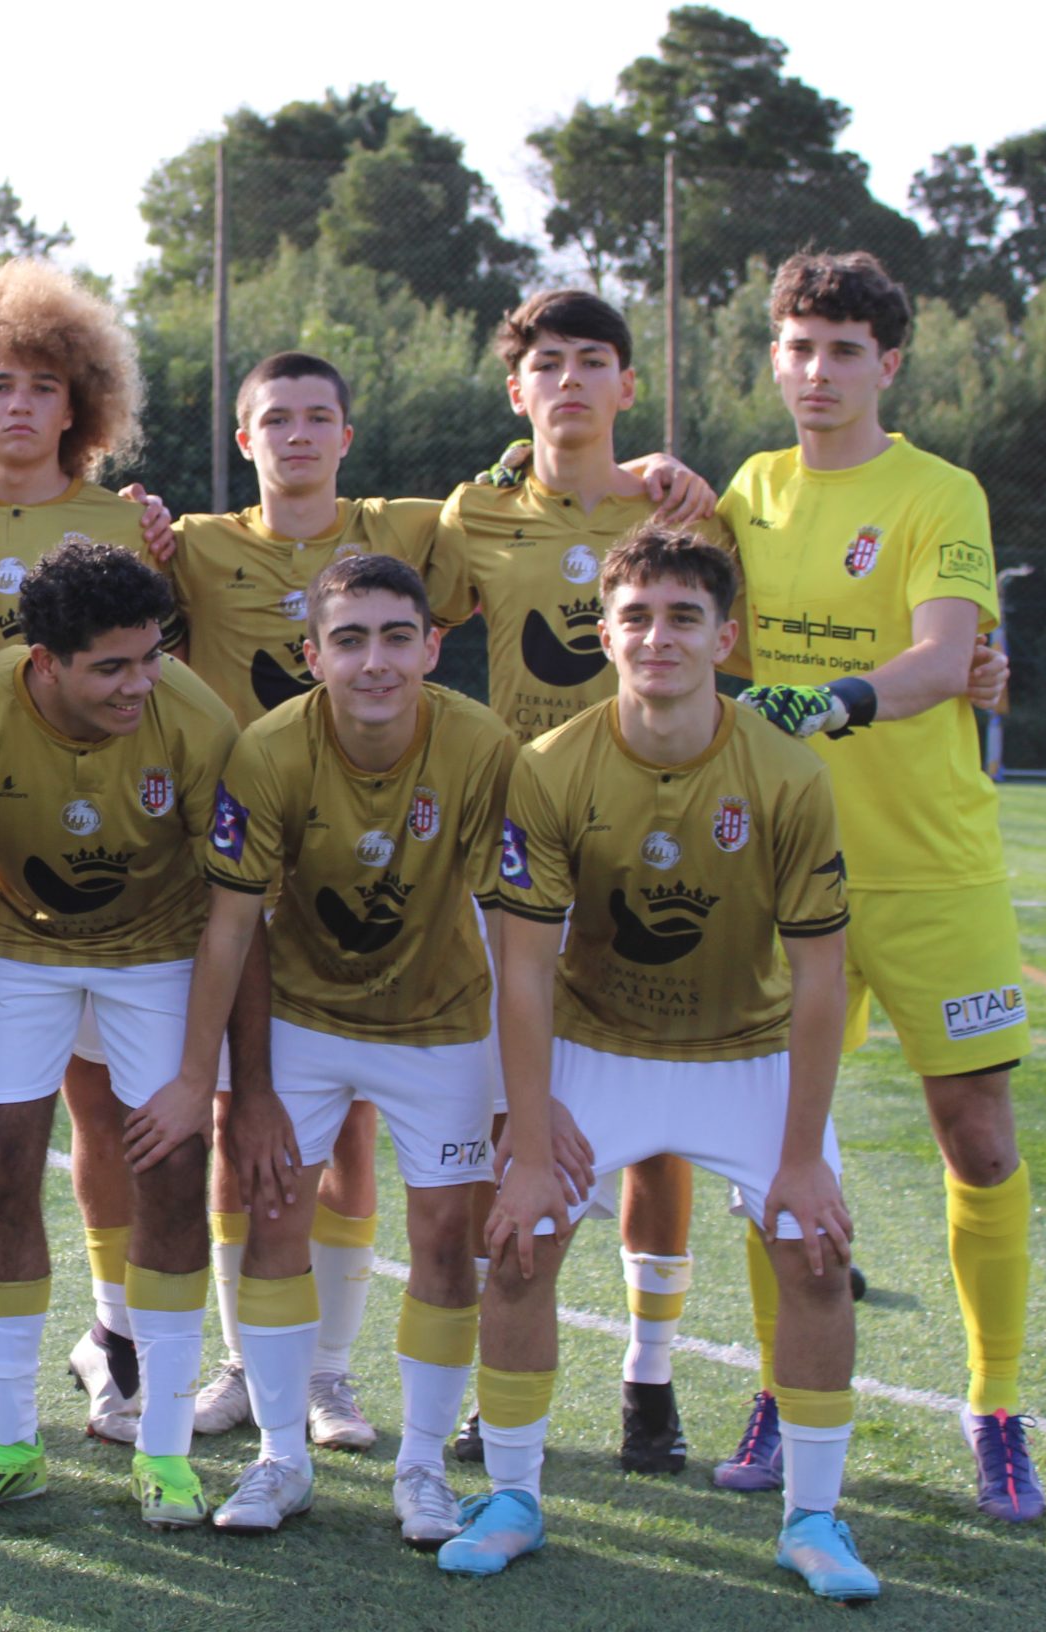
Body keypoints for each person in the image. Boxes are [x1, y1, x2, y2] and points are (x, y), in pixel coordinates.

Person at [173, 351, 713, 1449]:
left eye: (318, 416)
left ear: (347, 436)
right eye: (275, 419)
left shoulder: (427, 524)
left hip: (417, 889)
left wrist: (626, 469)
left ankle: (330, 1377)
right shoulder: (188, 541)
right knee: (252, 1139)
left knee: (363, 1147)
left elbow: (529, 499)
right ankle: (247, 1367)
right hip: (258, 859)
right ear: (244, 439)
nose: (296, 435)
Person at [442, 526, 877, 1602]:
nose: (658, 637)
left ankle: (814, 1519)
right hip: (598, 1043)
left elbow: (821, 978)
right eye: (635, 616)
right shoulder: (550, 767)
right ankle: (511, 1498)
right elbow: (523, 970)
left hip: (747, 1052)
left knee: (815, 1255)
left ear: (725, 638)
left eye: (685, 617)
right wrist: (528, 1138)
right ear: (604, 634)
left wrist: (801, 1156)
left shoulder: (788, 773)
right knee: (519, 1243)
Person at [714, 250, 1044, 1522]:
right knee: (771, 1143)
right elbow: (678, 601)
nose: (817, 372)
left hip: (931, 867)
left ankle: (996, 1404)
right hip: (786, 869)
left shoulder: (938, 491)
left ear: (886, 363)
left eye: (843, 350)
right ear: (775, 357)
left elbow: (947, 656)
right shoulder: (749, 489)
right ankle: (779, 1385)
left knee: (977, 1133)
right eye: (798, 348)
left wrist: (829, 700)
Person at [0, 259, 180, 1444]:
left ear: (82, 403)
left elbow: (154, 683)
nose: (18, 405)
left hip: (105, 867)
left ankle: (115, 1330)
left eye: (43, 386)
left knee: (107, 1109)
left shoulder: (130, 526)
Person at [436, 290, 724, 1473]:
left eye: (591, 361)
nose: (568, 380)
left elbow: (731, 657)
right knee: (508, 1114)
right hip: (516, 844)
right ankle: (493, 1381)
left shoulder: (679, 511)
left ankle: (649, 1378)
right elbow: (400, 613)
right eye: (546, 363)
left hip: (656, 842)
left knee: (657, 1123)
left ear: (625, 385)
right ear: (518, 392)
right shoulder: (475, 509)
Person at [0, 538, 236, 1528]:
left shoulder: (196, 718)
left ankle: (165, 1448)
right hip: (14, 943)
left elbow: (238, 905)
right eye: (112, 666)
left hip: (159, 948)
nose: (141, 682)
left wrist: (214, 1076)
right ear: (43, 661)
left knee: (171, 1165)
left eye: (152, 656)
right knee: (0, 1163)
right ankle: (9, 1441)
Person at [191, 552, 514, 1541]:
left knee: (446, 1237)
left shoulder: (482, 745)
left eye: (395, 638)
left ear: (431, 647)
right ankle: (280, 1457)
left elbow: (517, 925)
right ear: (312, 655)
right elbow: (230, 928)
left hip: (442, 1022)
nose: (375, 661)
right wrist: (221, 1081)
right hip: (305, 1018)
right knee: (273, 1214)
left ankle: (422, 1467)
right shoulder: (267, 749)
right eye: (350, 640)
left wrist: (520, 1091)